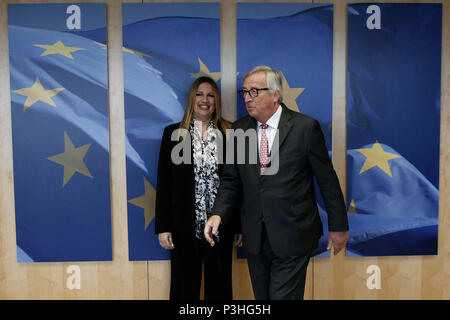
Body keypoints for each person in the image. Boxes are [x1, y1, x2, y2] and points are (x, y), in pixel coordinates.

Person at [204, 66, 349, 300]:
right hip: (255, 237)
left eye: (254, 92)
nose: (247, 99)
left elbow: (327, 181)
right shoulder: (240, 129)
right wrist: (217, 214)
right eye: (244, 93)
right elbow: (232, 181)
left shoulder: (305, 128)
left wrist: (339, 226)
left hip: (293, 233)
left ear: (275, 94)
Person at [155, 76, 241, 300]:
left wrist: (239, 225)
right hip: (183, 227)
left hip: (220, 227)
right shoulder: (174, 134)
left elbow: (238, 184)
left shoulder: (229, 133)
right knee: (184, 290)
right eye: (199, 94)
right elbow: (165, 184)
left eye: (211, 95)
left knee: (220, 290)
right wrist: (163, 226)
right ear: (191, 99)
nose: (205, 99)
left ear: (217, 101)